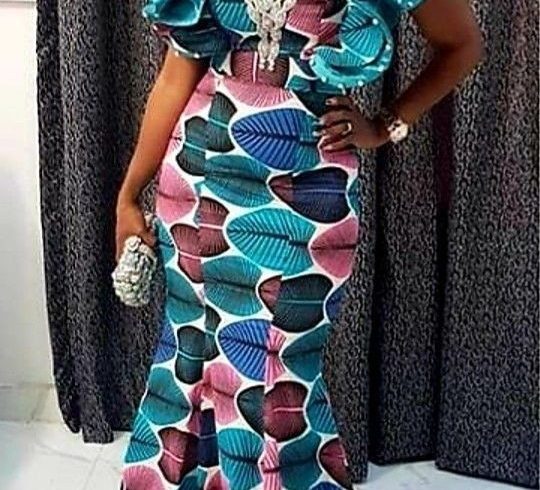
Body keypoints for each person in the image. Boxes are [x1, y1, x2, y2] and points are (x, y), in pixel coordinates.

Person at [116, 0, 483, 488]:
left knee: (274, 374)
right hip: (196, 176)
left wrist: (385, 125)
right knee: (189, 359)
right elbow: (174, 76)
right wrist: (128, 194)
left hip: (306, 192)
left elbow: (463, 46)